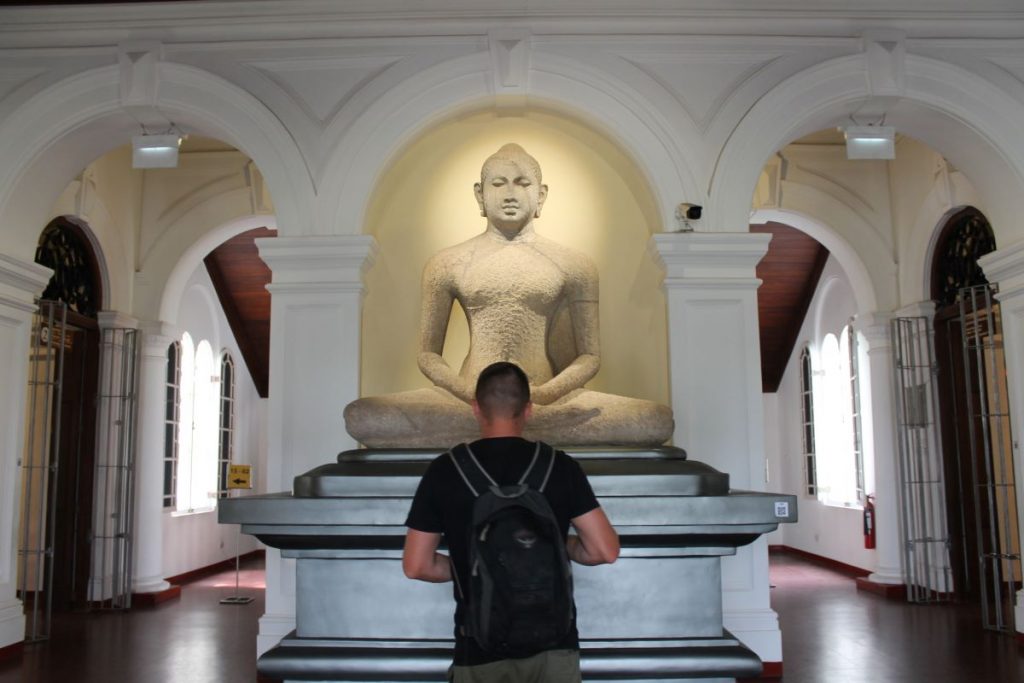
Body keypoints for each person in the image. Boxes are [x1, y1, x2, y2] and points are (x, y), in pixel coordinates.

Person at [345, 143, 673, 448]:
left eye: (522, 183)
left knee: (656, 421)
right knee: (363, 415)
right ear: (480, 195)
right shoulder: (447, 263)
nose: (511, 193)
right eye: (498, 183)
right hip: (467, 401)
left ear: (541, 195)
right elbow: (428, 356)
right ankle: (517, 428)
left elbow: (589, 357)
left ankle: (513, 426)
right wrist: (475, 396)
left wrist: (543, 395)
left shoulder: (575, 265)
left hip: (547, 399)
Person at [402, 361, 620, 682]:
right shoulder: (559, 467)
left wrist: (474, 564)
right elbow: (604, 551)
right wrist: (560, 545)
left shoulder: (445, 470)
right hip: (554, 649)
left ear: (476, 408)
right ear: (529, 410)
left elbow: (416, 565)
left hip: (478, 649)